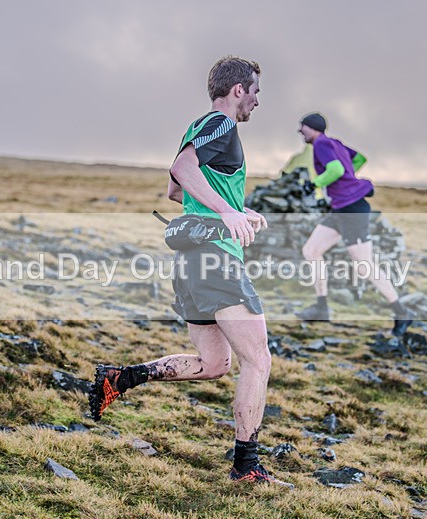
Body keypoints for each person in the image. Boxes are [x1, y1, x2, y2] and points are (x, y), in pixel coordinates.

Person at [89, 56, 292, 488]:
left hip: (191, 264)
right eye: (255, 91)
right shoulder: (221, 124)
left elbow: (175, 191)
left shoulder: (197, 127)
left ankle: (120, 378)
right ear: (238, 89)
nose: (257, 101)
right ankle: (247, 466)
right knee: (258, 360)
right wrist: (226, 213)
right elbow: (182, 172)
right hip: (216, 260)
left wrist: (234, 209)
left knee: (215, 363)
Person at [293, 112, 412, 337]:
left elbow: (336, 170)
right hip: (340, 209)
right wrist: (349, 177)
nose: (300, 131)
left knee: (364, 265)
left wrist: (315, 184)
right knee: (311, 250)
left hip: (352, 209)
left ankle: (401, 311)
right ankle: (321, 307)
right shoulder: (335, 143)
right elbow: (359, 159)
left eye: (303, 127)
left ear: (313, 128)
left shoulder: (321, 143)